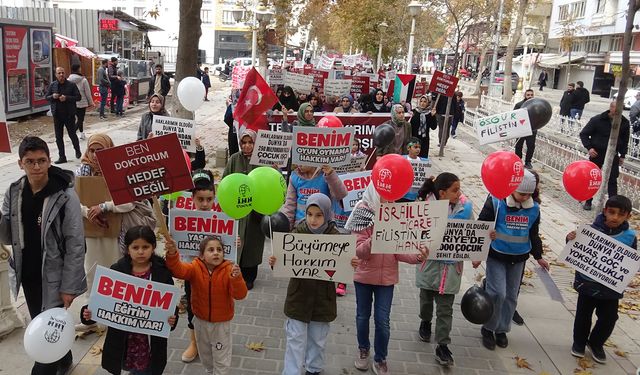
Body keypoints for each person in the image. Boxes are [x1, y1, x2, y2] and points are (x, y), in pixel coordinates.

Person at [0, 136, 86, 375]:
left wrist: (69, 286)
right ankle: (64, 357)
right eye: (30, 161)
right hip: (28, 274)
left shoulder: (65, 196)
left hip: (55, 276)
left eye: (41, 160)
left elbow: (76, 244)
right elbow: (7, 237)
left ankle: (46, 365)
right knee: (43, 318)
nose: (36, 167)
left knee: (46, 333)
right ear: (20, 164)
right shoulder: (14, 191)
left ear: (49, 161)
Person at [346, 183, 428, 374]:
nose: (389, 200)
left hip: (386, 279)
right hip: (364, 277)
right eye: (385, 195)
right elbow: (358, 251)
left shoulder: (396, 214)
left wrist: (417, 256)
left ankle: (381, 357)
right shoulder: (362, 211)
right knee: (362, 316)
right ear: (375, 193)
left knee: (383, 320)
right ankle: (363, 350)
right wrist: (377, 238)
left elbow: (399, 250)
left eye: (392, 196)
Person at [80, 226, 178, 375]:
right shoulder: (117, 271)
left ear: (153, 247)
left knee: (148, 369)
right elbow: (102, 301)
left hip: (149, 340)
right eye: (135, 247)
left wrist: (172, 318)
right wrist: (87, 314)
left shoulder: (161, 273)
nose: (140, 251)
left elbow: (169, 304)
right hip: (125, 338)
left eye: (145, 247)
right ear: (127, 249)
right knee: (132, 367)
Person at [473, 170, 549, 351]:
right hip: (496, 255)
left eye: (528, 194)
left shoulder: (534, 209)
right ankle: (488, 328)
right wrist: (478, 253)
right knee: (497, 292)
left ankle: (502, 329)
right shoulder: (496, 202)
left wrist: (539, 257)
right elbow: (481, 225)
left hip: (519, 257)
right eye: (521, 193)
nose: (524, 198)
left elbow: (533, 234)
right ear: (511, 188)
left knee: (511, 296)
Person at [269, 193, 345, 375]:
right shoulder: (297, 234)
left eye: (318, 215)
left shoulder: (336, 237)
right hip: (298, 296)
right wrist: (276, 262)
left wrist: (350, 263)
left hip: (323, 299)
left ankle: (314, 369)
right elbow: (285, 262)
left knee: (318, 339)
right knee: (295, 338)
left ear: (327, 214)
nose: (313, 219)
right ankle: (291, 371)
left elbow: (342, 266)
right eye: (309, 214)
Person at [567, 195, 636, 365]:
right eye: (611, 212)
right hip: (587, 283)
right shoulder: (590, 230)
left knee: (609, 318)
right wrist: (570, 239)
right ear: (604, 211)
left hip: (611, 287)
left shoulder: (630, 237)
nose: (615, 217)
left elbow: (630, 260)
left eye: (621, 215)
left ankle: (596, 343)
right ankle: (579, 342)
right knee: (583, 315)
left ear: (628, 216)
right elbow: (576, 250)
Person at [165, 233, 247, 375]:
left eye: (219, 250)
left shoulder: (229, 270)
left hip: (221, 324)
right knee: (206, 355)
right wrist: (172, 254)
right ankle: (210, 371)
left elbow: (240, 295)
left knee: (221, 358)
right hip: (200, 321)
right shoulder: (195, 268)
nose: (216, 253)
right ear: (201, 255)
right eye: (211, 250)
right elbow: (178, 270)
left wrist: (236, 278)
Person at [416, 173, 472, 366]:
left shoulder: (465, 209)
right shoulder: (425, 206)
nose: (459, 193)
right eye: (454, 190)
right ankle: (425, 321)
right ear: (442, 193)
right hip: (429, 265)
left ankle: (442, 345)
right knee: (426, 299)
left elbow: (473, 232)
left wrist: (484, 241)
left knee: (445, 309)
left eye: (459, 189)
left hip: (451, 268)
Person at [177, 169, 216, 363]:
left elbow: (226, 248)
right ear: (192, 197)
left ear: (214, 197)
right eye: (200, 199)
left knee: (213, 308)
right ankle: (194, 342)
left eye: (209, 199)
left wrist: (235, 243)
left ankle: (211, 342)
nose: (205, 204)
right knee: (193, 308)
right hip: (192, 273)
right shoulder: (184, 219)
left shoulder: (221, 219)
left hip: (215, 275)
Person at [222, 129, 268, 290]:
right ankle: (234, 273)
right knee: (236, 241)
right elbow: (225, 180)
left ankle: (250, 276)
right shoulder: (234, 159)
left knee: (252, 245)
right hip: (237, 209)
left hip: (256, 211)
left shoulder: (262, 160)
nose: (247, 146)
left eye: (250, 142)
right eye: (244, 142)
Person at [579, 102, 630, 210]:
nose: (617, 112)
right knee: (592, 178)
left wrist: (622, 155)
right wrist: (589, 148)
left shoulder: (624, 123)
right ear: (610, 108)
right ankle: (588, 200)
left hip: (613, 154)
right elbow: (584, 133)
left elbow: (625, 140)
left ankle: (614, 205)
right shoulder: (597, 120)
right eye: (615, 109)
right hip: (597, 153)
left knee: (612, 180)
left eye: (620, 109)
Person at [282, 164, 348, 229]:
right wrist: (286, 228)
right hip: (301, 228)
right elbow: (290, 206)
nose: (299, 164)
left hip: (324, 228)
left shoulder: (326, 174)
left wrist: (331, 174)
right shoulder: (295, 177)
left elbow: (340, 195)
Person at [46, 66, 82, 164]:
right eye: (59, 73)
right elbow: (47, 97)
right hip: (57, 114)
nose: (61, 75)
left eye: (62, 73)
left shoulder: (71, 85)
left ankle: (77, 150)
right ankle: (62, 156)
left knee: (72, 134)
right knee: (58, 137)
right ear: (56, 75)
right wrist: (53, 97)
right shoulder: (53, 85)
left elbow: (78, 97)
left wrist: (66, 98)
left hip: (69, 114)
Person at [68, 63, 94, 140]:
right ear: (79, 69)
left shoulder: (68, 80)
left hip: (72, 102)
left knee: (77, 119)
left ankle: (82, 133)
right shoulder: (83, 80)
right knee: (80, 119)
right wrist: (91, 102)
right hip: (82, 103)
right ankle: (72, 133)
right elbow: (87, 93)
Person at [513, 89, 536, 169]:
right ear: (525, 96)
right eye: (528, 95)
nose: (530, 96)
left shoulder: (536, 105)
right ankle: (518, 161)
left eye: (531, 95)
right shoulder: (519, 105)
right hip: (521, 129)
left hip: (532, 129)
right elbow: (514, 116)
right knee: (519, 145)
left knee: (531, 146)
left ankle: (528, 162)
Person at [401, 137, 429, 202]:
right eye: (415, 147)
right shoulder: (402, 159)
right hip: (403, 194)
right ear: (408, 148)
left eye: (419, 147)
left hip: (417, 195)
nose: (418, 149)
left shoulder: (425, 162)